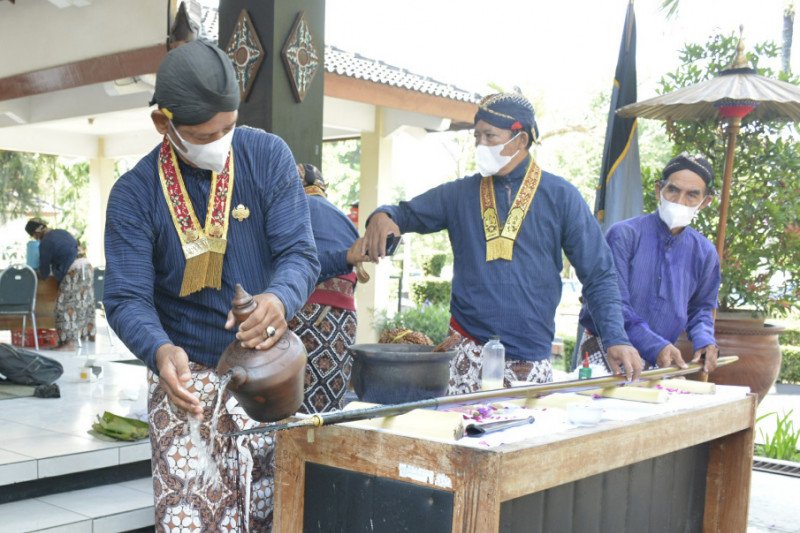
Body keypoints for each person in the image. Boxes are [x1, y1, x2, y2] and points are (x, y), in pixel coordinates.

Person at [103, 40, 319, 531]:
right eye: (204, 134)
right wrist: (159, 350)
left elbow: (299, 254)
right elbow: (125, 297)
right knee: (190, 521)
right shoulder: (135, 194)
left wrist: (278, 299)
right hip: (188, 389)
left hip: (267, 380)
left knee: (267, 517)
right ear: (163, 123)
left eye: (229, 127)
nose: (220, 142)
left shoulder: (267, 156)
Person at [362, 93, 642, 394]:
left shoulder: (561, 196)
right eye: (477, 137)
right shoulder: (460, 194)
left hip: (530, 361)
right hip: (466, 356)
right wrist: (382, 215)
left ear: (519, 140)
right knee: (459, 439)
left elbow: (599, 274)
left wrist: (616, 338)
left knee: (523, 441)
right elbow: (404, 213)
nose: (480, 145)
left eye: (490, 136)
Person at [578, 154, 720, 374]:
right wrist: (655, 345)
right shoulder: (624, 235)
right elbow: (612, 303)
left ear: (705, 202)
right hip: (609, 350)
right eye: (673, 190)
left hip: (660, 359)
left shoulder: (704, 252)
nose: (680, 201)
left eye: (692, 195)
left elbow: (700, 308)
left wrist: (704, 340)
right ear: (658, 190)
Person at [291, 163, 367, 412]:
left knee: (289, 399)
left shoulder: (293, 208)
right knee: (329, 401)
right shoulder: (341, 217)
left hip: (301, 314)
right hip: (342, 320)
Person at [24, 218, 94, 351]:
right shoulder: (62, 232)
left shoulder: (45, 242)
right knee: (84, 304)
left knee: (63, 307)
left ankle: (68, 344)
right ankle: (87, 337)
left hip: (74, 271)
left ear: (36, 232)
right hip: (87, 267)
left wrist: (36, 272)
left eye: (34, 236)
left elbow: (44, 272)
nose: (36, 238)